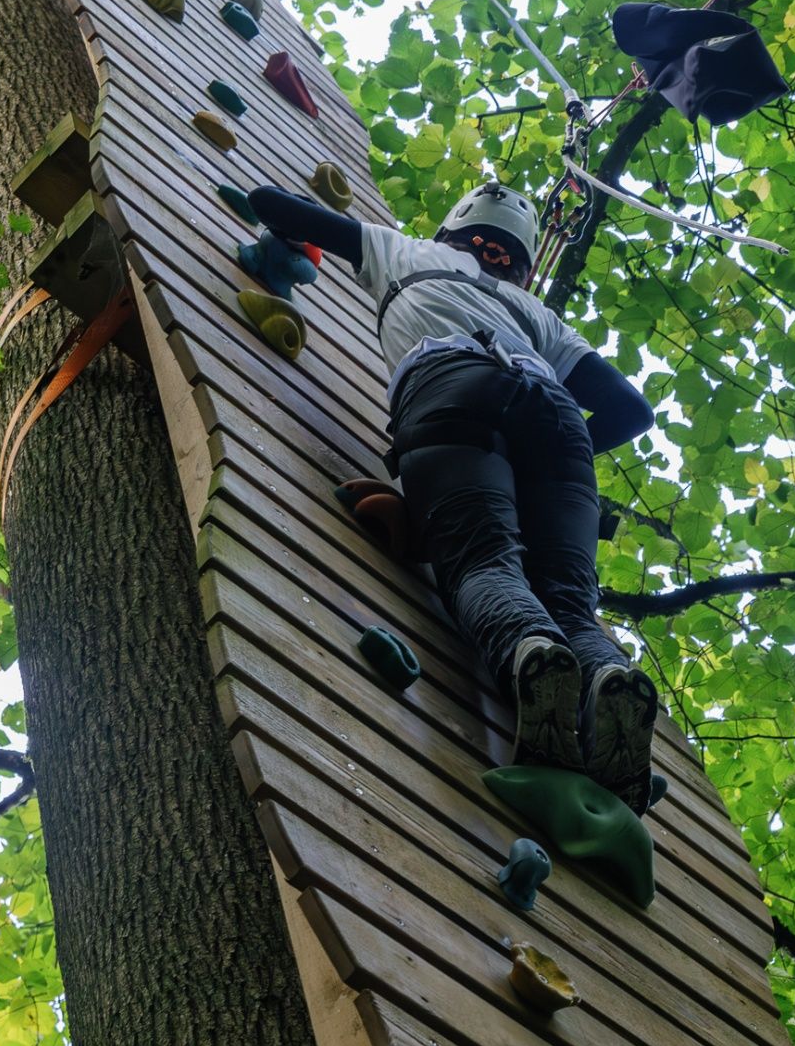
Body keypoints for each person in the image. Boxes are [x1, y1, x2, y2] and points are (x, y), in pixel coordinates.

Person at [247, 177, 662, 812]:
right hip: (556, 419)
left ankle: (530, 649)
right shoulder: (539, 316)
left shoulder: (405, 251)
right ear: (520, 262)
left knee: (482, 559)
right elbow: (630, 410)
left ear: (455, 232)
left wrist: (286, 235)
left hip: (449, 386)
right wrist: (550, 463)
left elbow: (272, 204)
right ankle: (608, 676)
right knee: (574, 600)